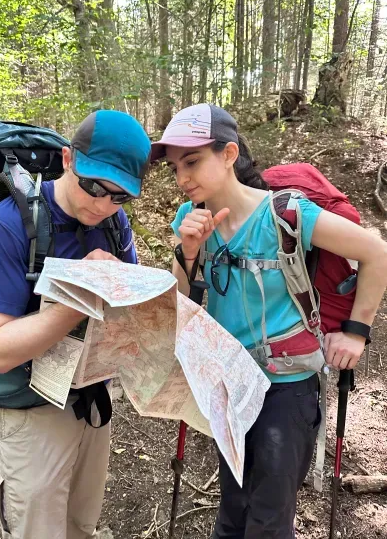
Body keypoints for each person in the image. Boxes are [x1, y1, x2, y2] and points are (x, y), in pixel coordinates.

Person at [151, 103, 387, 539]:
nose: (182, 178)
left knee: (271, 518)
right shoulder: (190, 219)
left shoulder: (285, 215)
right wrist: (187, 250)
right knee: (233, 507)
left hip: (286, 386)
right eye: (175, 168)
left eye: (192, 161)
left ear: (228, 154)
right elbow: (178, 303)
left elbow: (375, 252)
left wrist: (356, 332)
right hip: (230, 383)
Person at [0, 110, 151, 539]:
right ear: (68, 159)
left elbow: (128, 303)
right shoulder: (6, 228)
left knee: (81, 525)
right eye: (93, 187)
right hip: (31, 413)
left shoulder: (113, 225)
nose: (103, 205)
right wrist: (79, 297)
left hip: (91, 399)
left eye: (119, 196)